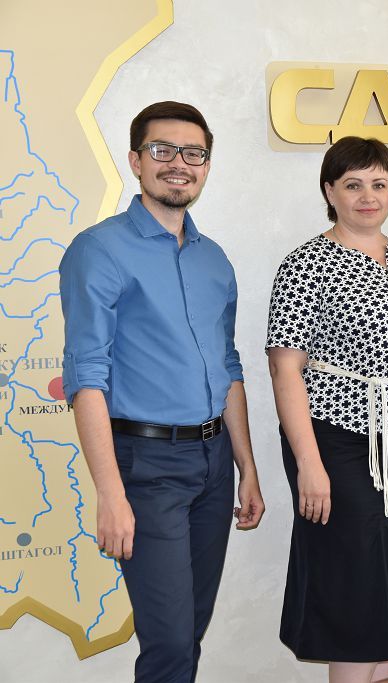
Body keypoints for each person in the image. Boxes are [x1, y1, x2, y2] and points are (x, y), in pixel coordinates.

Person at [59, 101, 265, 682]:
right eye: (162, 150)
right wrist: (110, 493)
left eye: (194, 153)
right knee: (170, 643)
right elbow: (86, 377)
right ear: (136, 160)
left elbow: (228, 367)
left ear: (207, 165)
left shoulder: (214, 260)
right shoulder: (98, 250)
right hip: (146, 468)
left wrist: (246, 467)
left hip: (214, 462)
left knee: (189, 629)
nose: (179, 163)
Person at [266, 136, 388, 683]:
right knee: (356, 590)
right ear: (330, 191)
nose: (368, 196)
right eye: (353, 185)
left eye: (379, 184)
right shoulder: (305, 264)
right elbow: (285, 370)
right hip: (340, 442)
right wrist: (309, 464)